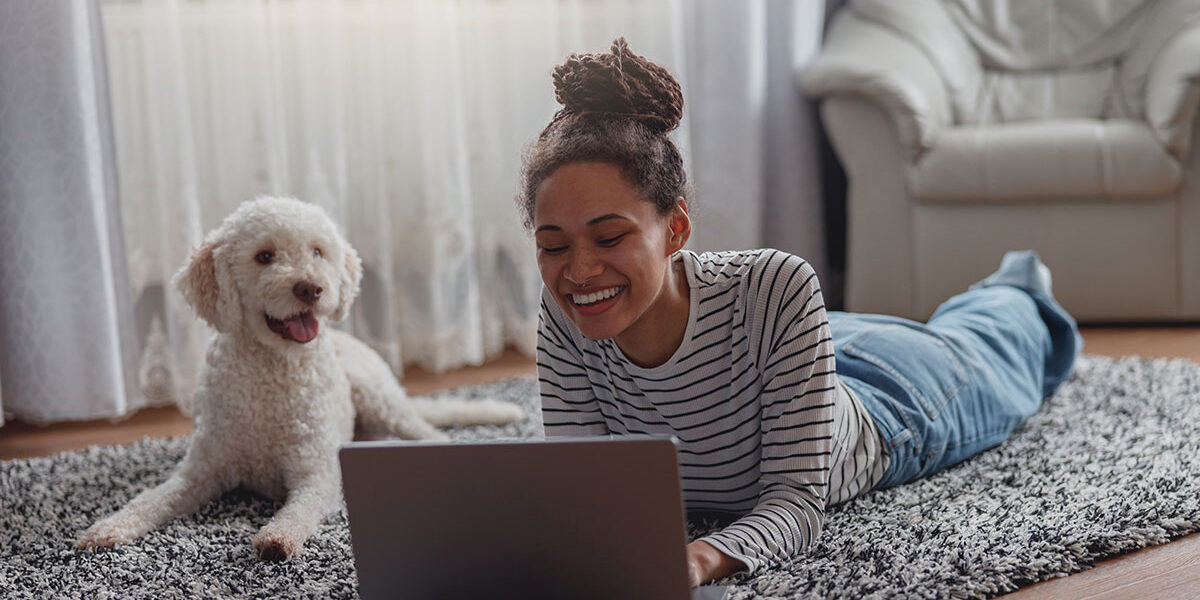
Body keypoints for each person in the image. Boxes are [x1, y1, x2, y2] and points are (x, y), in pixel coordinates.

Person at [518, 38, 1082, 587]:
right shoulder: (567, 308)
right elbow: (586, 493)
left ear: (677, 229)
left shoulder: (775, 285)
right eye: (554, 245)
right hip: (796, 350)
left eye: (610, 237)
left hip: (886, 399)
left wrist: (700, 559)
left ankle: (1019, 282)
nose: (579, 270)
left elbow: (795, 501)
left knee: (999, 337)